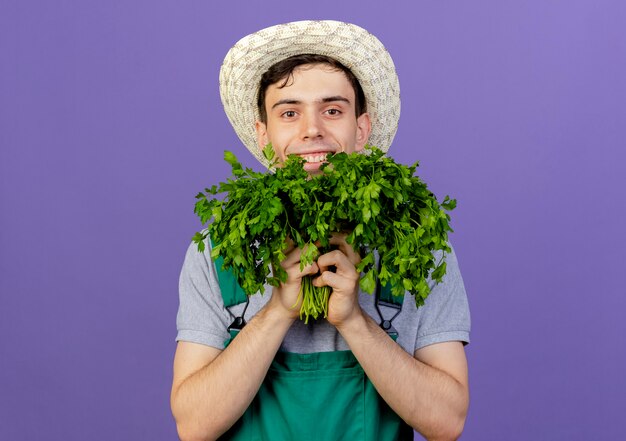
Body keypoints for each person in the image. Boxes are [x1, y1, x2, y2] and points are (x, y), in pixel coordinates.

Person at [170, 20, 471, 441]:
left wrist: (354, 322)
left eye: (332, 110)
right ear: (263, 135)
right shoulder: (219, 251)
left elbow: (447, 422)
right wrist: (277, 312)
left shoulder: (418, 248)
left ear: (361, 129)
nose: (312, 130)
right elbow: (194, 426)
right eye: (289, 113)